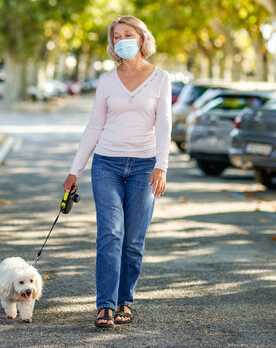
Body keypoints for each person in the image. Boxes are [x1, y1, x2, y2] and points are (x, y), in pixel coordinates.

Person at [62, 16, 172, 328]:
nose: (121, 39)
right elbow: (95, 125)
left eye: (128, 34)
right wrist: (75, 170)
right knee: (110, 233)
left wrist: (161, 167)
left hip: (144, 166)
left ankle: (125, 300)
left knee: (134, 240)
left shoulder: (161, 78)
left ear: (141, 38)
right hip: (106, 163)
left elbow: (164, 124)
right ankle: (105, 306)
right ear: (112, 43)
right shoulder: (106, 81)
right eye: (116, 35)